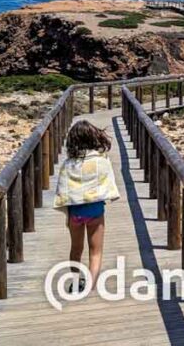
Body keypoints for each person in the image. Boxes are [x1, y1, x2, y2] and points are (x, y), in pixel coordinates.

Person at [53, 120, 119, 292]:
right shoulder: (101, 161)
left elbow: (63, 190)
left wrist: (67, 212)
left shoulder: (68, 164)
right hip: (95, 211)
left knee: (76, 248)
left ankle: (75, 280)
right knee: (95, 251)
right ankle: (90, 285)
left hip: (75, 212)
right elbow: (108, 184)